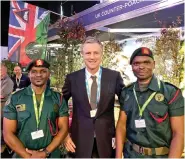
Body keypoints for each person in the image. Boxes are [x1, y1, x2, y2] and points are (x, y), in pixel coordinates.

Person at [116, 47, 184, 158]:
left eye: (146, 62)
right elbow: (121, 126)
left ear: (154, 64)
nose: (141, 67)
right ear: (132, 66)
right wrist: (118, 156)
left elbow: (179, 134)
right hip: (132, 155)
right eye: (136, 63)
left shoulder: (171, 93)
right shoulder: (127, 93)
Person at [62, 36, 124, 158]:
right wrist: (64, 135)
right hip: (78, 141)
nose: (92, 57)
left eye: (96, 53)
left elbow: (126, 105)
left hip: (107, 140)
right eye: (88, 53)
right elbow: (60, 106)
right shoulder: (72, 78)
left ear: (101, 54)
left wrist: (121, 135)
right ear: (82, 54)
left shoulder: (114, 77)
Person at [3, 59, 69, 158]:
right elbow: (8, 133)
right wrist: (28, 156)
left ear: (48, 74)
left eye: (43, 71)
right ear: (28, 74)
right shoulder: (15, 98)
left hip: (51, 155)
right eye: (34, 71)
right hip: (22, 154)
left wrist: (45, 152)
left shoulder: (58, 98)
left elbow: (64, 128)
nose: (38, 75)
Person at [0, 63, 14, 154]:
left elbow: (2, 95)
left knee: (2, 126)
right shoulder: (1, 80)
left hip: (3, 107)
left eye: (0, 70)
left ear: (4, 71)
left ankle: (3, 144)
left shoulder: (8, 81)